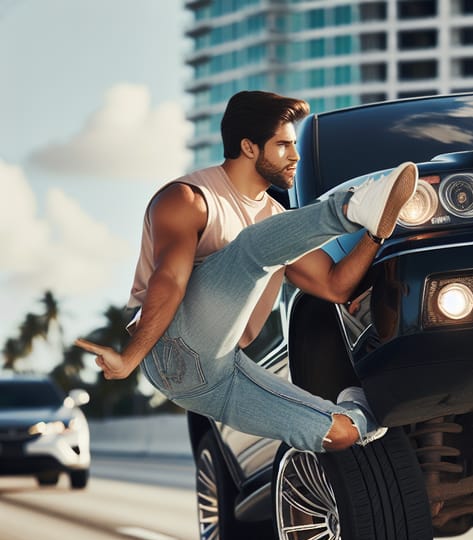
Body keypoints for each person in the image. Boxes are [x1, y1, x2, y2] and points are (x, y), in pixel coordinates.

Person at [75, 90, 418, 453]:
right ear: (249, 147)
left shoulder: (278, 227)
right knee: (253, 246)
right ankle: (351, 206)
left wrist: (377, 234)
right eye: (283, 145)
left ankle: (361, 416)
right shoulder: (190, 198)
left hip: (217, 377)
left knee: (335, 433)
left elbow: (335, 285)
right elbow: (170, 279)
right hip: (167, 344)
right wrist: (129, 358)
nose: (295, 156)